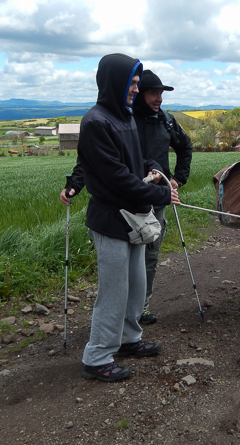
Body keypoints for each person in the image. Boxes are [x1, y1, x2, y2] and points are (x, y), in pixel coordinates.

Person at [64, 53, 180, 383]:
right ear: (114, 82)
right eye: (131, 83)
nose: (134, 89)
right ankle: (97, 356)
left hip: (134, 218)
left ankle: (129, 339)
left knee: (135, 283)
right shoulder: (96, 122)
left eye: (136, 84)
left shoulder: (124, 116)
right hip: (111, 220)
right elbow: (116, 177)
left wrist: (153, 170)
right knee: (113, 290)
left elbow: (133, 161)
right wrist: (160, 195)